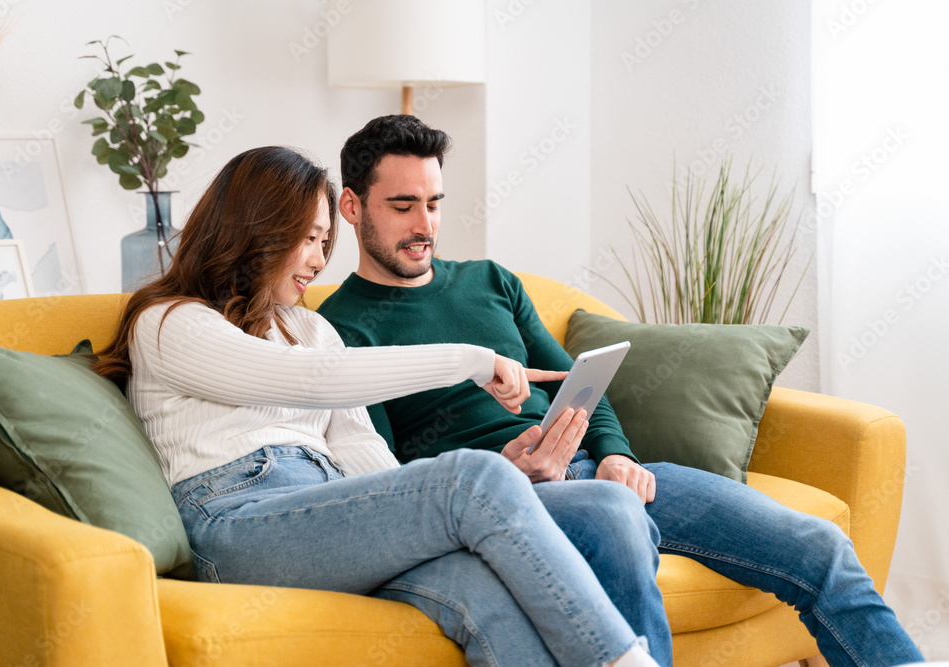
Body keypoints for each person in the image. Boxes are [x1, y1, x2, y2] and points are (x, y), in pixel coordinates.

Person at [316, 114, 927, 667]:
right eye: (402, 206)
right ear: (351, 206)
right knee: (618, 522)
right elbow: (387, 478)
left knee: (818, 544)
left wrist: (615, 455)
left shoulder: (490, 282)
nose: (425, 226)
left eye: (434, 203)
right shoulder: (339, 329)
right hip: (506, 500)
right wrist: (506, 472)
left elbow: (581, 384)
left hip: (592, 469)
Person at [93, 145, 661, 667]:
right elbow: (310, 382)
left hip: (328, 508)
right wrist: (470, 361)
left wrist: (422, 510)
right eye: (308, 239)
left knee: (483, 585)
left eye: (324, 242)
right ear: (255, 231)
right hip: (235, 525)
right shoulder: (170, 322)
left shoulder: (311, 328)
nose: (318, 261)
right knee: (474, 478)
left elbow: (360, 448)